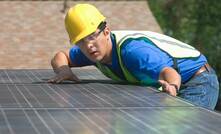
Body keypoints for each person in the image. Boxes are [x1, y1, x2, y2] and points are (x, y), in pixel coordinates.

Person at [48, 3, 219, 110]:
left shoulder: (132, 52)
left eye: (92, 36)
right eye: (81, 42)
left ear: (106, 31)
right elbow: (60, 55)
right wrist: (63, 70)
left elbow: (170, 73)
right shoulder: (92, 51)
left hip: (197, 82)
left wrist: (173, 87)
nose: (88, 45)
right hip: (172, 85)